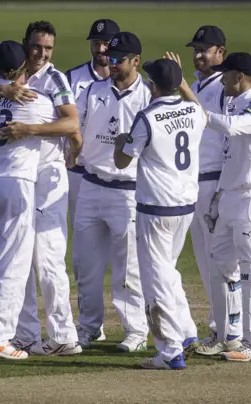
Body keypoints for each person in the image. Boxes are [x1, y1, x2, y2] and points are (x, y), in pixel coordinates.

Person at [0, 21, 83, 357]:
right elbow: (70, 124)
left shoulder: (45, 80)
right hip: (18, 182)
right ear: (24, 48)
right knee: (13, 262)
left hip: (6, 179)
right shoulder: (28, 97)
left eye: (48, 49)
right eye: (36, 47)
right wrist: (9, 96)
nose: (42, 54)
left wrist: (12, 107)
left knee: (36, 259)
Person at [113, 58, 206, 369]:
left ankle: (170, 351)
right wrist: (183, 85)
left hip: (155, 210)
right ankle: (188, 332)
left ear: (152, 85)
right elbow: (203, 113)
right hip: (185, 207)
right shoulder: (193, 110)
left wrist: (119, 142)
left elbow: (123, 161)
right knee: (168, 270)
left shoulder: (147, 118)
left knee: (156, 281)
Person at [195, 52, 251, 362]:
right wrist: (218, 196)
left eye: (226, 74)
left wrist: (192, 101)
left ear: (240, 77)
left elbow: (227, 128)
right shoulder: (235, 104)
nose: (222, 79)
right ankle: (230, 336)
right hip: (229, 197)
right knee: (220, 265)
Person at [73, 32, 150, 351]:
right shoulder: (93, 90)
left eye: (119, 59)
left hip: (128, 192)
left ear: (136, 61)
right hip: (91, 185)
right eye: (110, 57)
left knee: (128, 266)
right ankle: (89, 327)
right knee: (85, 265)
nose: (112, 63)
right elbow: (74, 126)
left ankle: (136, 330)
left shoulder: (147, 97)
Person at [64, 18, 120, 343]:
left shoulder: (129, 81)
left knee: (123, 256)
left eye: (106, 44)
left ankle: (133, 328)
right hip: (79, 177)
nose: (100, 49)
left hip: (120, 181)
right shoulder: (72, 79)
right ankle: (90, 325)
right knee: (85, 256)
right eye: (96, 43)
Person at [185, 25, 228, 343]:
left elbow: (232, 139)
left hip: (214, 182)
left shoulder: (225, 87)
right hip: (193, 183)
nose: (199, 55)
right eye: (196, 49)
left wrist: (223, 189)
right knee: (204, 259)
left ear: (220, 53)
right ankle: (218, 327)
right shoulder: (200, 86)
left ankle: (228, 329)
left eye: (206, 49)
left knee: (220, 259)